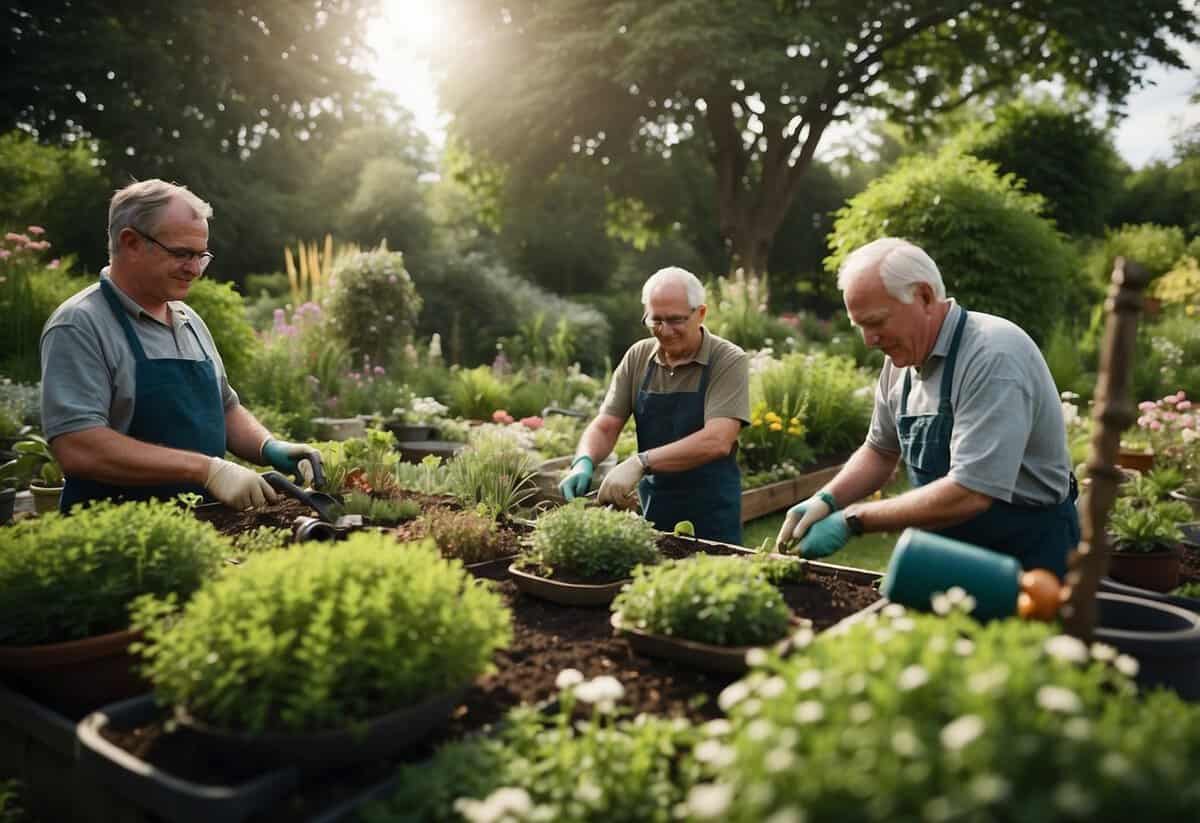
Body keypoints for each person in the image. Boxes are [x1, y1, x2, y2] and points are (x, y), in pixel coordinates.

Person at [775, 238, 1079, 577]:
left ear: (924, 297)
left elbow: (971, 492)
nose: (868, 340)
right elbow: (879, 450)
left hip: (1024, 555)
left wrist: (854, 520)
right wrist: (827, 500)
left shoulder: (993, 356)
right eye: (859, 326)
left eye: (875, 322)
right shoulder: (902, 361)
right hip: (942, 547)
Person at [40, 179, 322, 513]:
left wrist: (269, 446)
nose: (194, 270)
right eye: (182, 254)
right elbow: (78, 446)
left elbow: (225, 408)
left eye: (200, 256)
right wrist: (206, 469)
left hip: (202, 526)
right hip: (119, 536)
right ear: (130, 243)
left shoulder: (188, 320)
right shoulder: (81, 324)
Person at [558, 267, 750, 544]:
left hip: (711, 512)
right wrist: (583, 461)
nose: (665, 331)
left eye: (675, 320)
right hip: (653, 507)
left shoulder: (727, 360)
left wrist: (641, 462)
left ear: (701, 313)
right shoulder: (638, 356)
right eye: (655, 320)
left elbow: (717, 439)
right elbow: (606, 424)